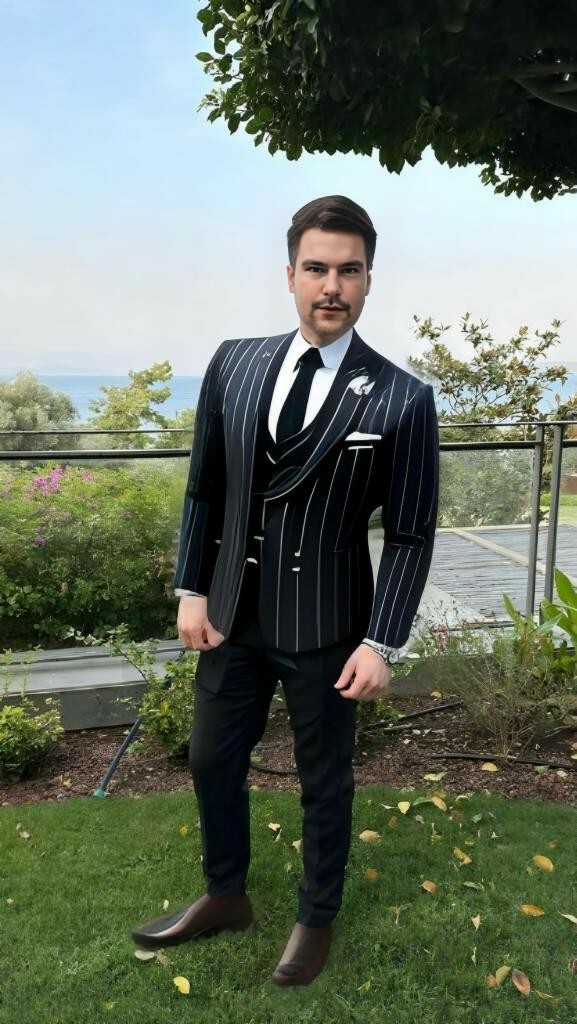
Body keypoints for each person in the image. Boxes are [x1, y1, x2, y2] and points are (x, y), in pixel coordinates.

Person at [132, 195, 439, 986]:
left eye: (348, 270)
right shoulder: (233, 363)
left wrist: (381, 641)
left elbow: (409, 533)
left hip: (328, 626)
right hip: (230, 615)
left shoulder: (401, 398)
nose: (330, 286)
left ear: (368, 279)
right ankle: (224, 893)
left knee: (323, 781)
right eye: (316, 268)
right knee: (210, 760)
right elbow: (205, 488)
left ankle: (315, 917)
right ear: (289, 274)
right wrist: (191, 588)